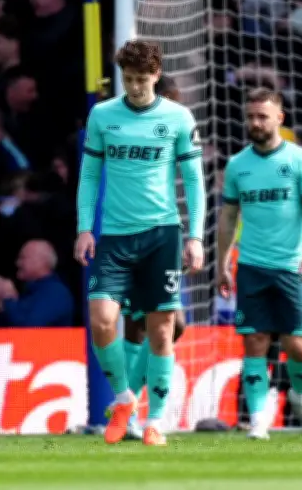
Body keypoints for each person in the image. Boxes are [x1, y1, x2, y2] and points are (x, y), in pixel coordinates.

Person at [75, 41, 206, 446]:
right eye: (128, 79)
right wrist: (85, 228)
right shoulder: (103, 115)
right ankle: (124, 398)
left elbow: (194, 180)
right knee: (102, 321)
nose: (134, 87)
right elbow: (89, 175)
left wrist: (196, 236)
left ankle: (156, 421)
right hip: (115, 237)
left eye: (141, 79)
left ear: (156, 75)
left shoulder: (178, 118)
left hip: (161, 235)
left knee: (162, 329)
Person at [217, 88, 302, 440]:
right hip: (251, 267)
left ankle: (299, 396)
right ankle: (259, 418)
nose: (255, 123)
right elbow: (228, 217)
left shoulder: (299, 159)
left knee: (298, 346)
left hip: (291, 268)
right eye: (250, 116)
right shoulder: (237, 165)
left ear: (279, 118)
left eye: (262, 116)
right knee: (255, 341)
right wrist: (222, 264)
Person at [117, 74, 189, 440]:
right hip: (132, 235)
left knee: (162, 324)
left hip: (161, 235)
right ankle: (128, 409)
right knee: (144, 324)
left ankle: (128, 408)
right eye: (176, 99)